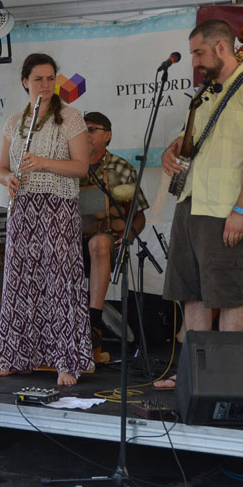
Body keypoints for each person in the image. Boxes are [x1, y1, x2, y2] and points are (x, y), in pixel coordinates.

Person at [155, 19, 243, 389]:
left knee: (227, 295)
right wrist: (170, 150)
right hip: (190, 201)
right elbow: (188, 139)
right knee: (191, 294)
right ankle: (195, 374)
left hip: (224, 207)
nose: (195, 61)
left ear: (221, 48)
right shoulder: (205, 93)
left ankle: (227, 376)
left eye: (199, 53)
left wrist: (241, 210)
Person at [0, 53, 93, 387]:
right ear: (25, 82)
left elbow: (81, 167)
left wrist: (44, 163)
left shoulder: (71, 117)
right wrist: (8, 179)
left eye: (51, 78)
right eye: (39, 79)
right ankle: (16, 356)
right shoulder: (14, 122)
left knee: (59, 280)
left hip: (58, 207)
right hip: (23, 207)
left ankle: (66, 361)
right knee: (21, 280)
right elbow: (1, 168)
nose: (46, 85)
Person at [79, 111, 149, 362]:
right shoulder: (70, 165)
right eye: (83, 129)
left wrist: (127, 236)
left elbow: (138, 216)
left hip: (106, 241)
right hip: (72, 239)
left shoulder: (121, 168)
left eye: (92, 129)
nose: (86, 134)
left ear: (108, 135)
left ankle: (94, 320)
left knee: (98, 242)